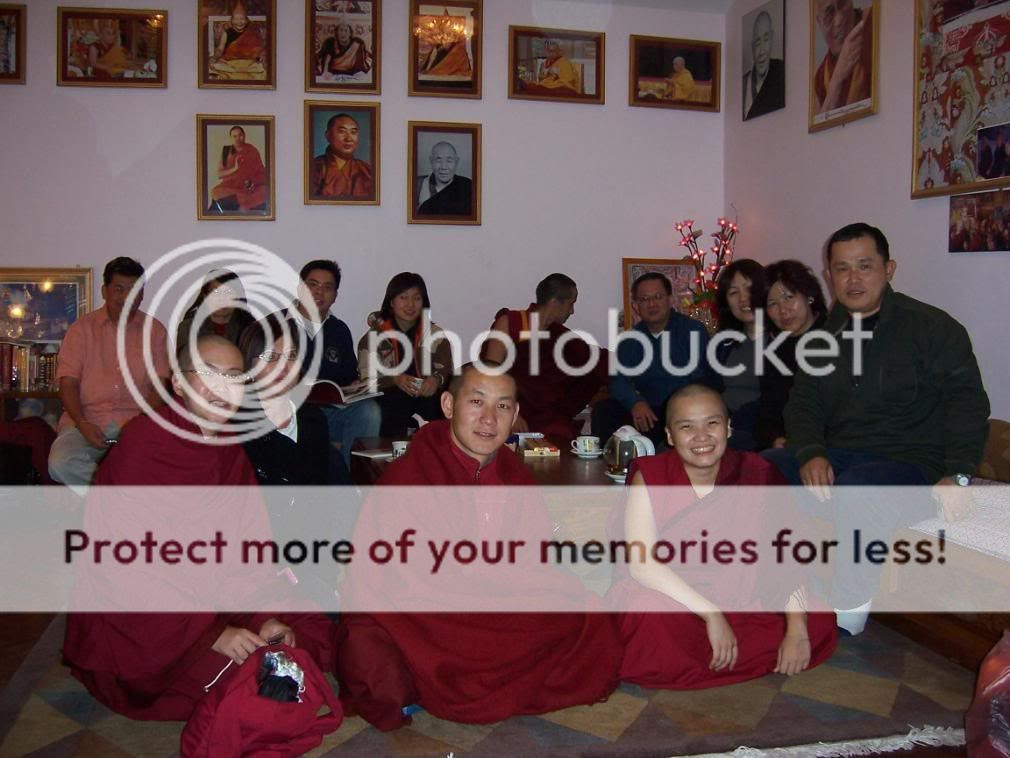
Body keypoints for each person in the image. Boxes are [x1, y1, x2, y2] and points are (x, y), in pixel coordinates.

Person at [63, 335, 335, 720]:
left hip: (216, 595)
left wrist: (261, 615)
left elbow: (246, 551)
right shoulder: (144, 446)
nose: (223, 388)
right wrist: (212, 634)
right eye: (209, 375)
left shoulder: (230, 449)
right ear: (178, 383)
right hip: (151, 620)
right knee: (255, 681)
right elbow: (125, 566)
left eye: (234, 376)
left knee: (306, 626)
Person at [336, 364, 622, 729]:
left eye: (503, 406)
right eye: (476, 402)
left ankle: (477, 674)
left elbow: (533, 563)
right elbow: (395, 582)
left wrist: (523, 587)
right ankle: (478, 674)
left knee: (588, 613)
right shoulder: (410, 476)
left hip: (495, 608)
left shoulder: (515, 476)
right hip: (431, 616)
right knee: (370, 651)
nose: (489, 418)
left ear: (515, 416)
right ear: (448, 405)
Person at [762, 222, 990, 634]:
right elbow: (804, 404)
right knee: (760, 471)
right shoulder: (823, 336)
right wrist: (810, 451)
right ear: (829, 276)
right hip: (841, 457)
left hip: (912, 465)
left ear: (889, 269)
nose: (853, 279)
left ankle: (847, 613)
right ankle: (787, 590)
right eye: (842, 268)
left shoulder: (932, 328)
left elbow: (968, 405)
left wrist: (958, 474)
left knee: (859, 491)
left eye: (864, 266)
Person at [608, 384, 837, 689]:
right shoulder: (651, 477)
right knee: (646, 613)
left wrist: (796, 629)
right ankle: (726, 654)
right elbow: (642, 565)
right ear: (670, 436)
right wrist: (711, 614)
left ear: (728, 428)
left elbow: (786, 557)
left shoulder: (757, 473)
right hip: (675, 597)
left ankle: (704, 659)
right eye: (687, 427)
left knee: (819, 616)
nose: (701, 437)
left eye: (712, 423)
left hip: (742, 595)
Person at [48, 257, 169, 494]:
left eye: (134, 290)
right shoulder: (81, 329)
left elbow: (160, 385)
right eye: (119, 289)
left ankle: (111, 502)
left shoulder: (154, 331)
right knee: (61, 464)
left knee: (162, 466)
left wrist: (138, 426)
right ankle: (119, 500)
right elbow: (68, 383)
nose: (127, 297)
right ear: (105, 291)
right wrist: (82, 423)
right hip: (86, 421)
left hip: (137, 422)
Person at [593, 272, 715, 449]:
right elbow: (619, 381)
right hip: (647, 411)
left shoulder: (692, 330)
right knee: (604, 411)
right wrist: (635, 402)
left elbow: (703, 378)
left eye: (658, 297)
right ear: (636, 306)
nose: (651, 304)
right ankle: (615, 462)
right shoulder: (630, 339)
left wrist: (677, 407)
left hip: (684, 409)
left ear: (670, 300)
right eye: (644, 299)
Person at [483, 273, 607, 438]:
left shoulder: (560, 336)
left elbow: (596, 359)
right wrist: (510, 410)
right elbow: (490, 373)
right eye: (571, 304)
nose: (572, 311)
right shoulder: (510, 323)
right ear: (554, 303)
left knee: (560, 432)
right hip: (509, 406)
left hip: (544, 414)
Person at [285, 260, 380, 466]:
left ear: (335, 296)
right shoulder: (276, 325)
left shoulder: (339, 330)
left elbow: (348, 376)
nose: (319, 292)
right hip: (290, 410)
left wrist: (355, 386)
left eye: (327, 287)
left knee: (369, 411)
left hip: (330, 412)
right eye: (313, 285)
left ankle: (352, 478)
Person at [239, 313, 350, 486]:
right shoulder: (237, 427)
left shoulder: (313, 418)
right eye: (271, 357)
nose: (283, 366)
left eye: (291, 356)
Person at [357, 272, 453, 438]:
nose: (410, 304)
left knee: (443, 403)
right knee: (397, 401)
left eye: (417, 298)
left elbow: (447, 370)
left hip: (425, 396)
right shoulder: (374, 337)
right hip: (389, 397)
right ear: (391, 302)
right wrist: (394, 379)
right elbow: (366, 379)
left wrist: (436, 380)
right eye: (403, 297)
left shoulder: (435, 334)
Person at [754, 260, 828, 451]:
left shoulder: (835, 336)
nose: (783, 310)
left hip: (827, 443)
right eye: (772, 304)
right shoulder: (774, 352)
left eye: (789, 297)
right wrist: (774, 439)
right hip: (788, 444)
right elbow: (768, 413)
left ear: (809, 296)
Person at [712, 259, 768, 452]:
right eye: (733, 293)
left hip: (755, 428)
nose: (743, 299)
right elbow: (708, 385)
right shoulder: (724, 342)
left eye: (749, 288)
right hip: (719, 423)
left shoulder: (782, 341)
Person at [813, 0, 873, 116]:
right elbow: (821, 124)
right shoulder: (821, 78)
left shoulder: (875, 22)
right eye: (829, 14)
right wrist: (838, 77)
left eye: (842, 4)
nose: (839, 20)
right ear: (819, 23)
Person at [175, 269, 253, 351]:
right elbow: (185, 358)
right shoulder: (189, 328)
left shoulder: (250, 329)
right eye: (216, 292)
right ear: (205, 296)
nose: (222, 298)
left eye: (228, 292)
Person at [309, 113, 374, 200]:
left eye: (353, 132)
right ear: (328, 135)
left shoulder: (367, 171)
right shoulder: (314, 167)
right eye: (342, 131)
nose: (349, 139)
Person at [209, 126, 267, 213]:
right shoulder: (226, 151)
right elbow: (219, 174)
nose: (237, 139)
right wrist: (234, 168)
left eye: (240, 135)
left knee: (265, 191)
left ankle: (243, 204)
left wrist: (252, 182)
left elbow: (261, 173)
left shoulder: (252, 150)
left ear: (244, 136)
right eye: (234, 136)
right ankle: (243, 204)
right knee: (215, 192)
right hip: (231, 187)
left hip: (249, 188)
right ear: (230, 138)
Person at [208, 0, 267, 81]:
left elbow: (259, 49)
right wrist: (214, 57)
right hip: (230, 64)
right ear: (231, 20)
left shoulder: (252, 30)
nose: (239, 22)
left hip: (249, 64)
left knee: (262, 69)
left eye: (242, 19)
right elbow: (220, 49)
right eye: (236, 19)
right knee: (213, 67)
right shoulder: (227, 32)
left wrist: (261, 57)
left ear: (247, 20)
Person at [743, 10, 785, 120]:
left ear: (771, 40)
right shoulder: (744, 84)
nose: (761, 51)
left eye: (766, 40)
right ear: (752, 47)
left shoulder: (780, 73)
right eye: (757, 43)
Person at [416, 141, 473, 216]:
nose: (444, 167)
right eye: (438, 160)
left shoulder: (467, 186)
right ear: (431, 161)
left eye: (449, 161)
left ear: (456, 162)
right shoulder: (418, 185)